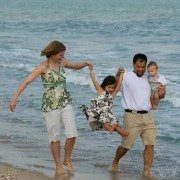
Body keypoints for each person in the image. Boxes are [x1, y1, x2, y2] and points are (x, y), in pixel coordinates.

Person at [9, 41, 92, 175]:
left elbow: (76, 66)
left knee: (72, 134)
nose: (62, 57)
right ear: (53, 54)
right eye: (60, 54)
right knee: (55, 137)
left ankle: (67, 160)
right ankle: (58, 166)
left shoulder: (62, 62)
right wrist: (14, 98)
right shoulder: (43, 67)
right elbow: (26, 82)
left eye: (63, 55)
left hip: (65, 102)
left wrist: (86, 63)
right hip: (51, 106)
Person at [109, 53, 166, 177]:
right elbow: (113, 88)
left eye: (143, 67)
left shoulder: (149, 77)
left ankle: (146, 171)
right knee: (126, 146)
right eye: (138, 66)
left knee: (150, 144)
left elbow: (160, 95)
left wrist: (161, 93)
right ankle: (115, 161)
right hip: (131, 116)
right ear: (133, 64)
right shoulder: (126, 76)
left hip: (148, 115)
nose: (141, 69)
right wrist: (118, 74)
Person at [79, 64, 128, 139]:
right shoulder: (100, 91)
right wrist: (91, 70)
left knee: (115, 123)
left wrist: (121, 74)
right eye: (109, 87)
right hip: (100, 113)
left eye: (112, 88)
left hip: (109, 114)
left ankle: (121, 133)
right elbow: (94, 79)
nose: (111, 89)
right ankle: (110, 129)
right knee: (106, 122)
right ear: (104, 85)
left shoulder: (112, 94)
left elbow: (119, 85)